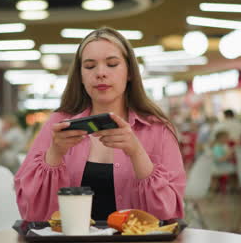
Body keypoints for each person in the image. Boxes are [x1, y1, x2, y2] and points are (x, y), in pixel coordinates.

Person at [15, 27, 186, 221]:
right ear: (80, 75)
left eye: (112, 64)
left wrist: (137, 153)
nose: (100, 73)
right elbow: (29, 210)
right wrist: (54, 154)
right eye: (89, 66)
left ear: (130, 71)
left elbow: (169, 215)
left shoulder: (157, 130)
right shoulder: (58, 125)